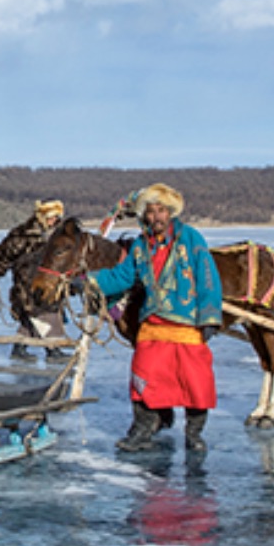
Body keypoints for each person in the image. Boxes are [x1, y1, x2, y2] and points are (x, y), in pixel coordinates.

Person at [90, 184, 223, 453]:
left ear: (170, 212)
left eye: (161, 211)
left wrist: (209, 316)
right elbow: (122, 277)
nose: (155, 218)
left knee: (196, 383)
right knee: (143, 378)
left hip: (187, 326)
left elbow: (207, 278)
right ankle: (142, 432)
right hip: (153, 327)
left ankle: (194, 435)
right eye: (150, 212)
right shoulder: (140, 246)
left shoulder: (191, 239)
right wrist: (89, 281)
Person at [0, 199, 68, 359]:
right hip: (27, 282)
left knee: (35, 317)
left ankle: (19, 348)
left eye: (57, 218)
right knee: (43, 314)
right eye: (51, 217)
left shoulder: (59, 235)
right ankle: (52, 349)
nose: (54, 221)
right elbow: (4, 253)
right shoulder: (23, 234)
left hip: (50, 283)